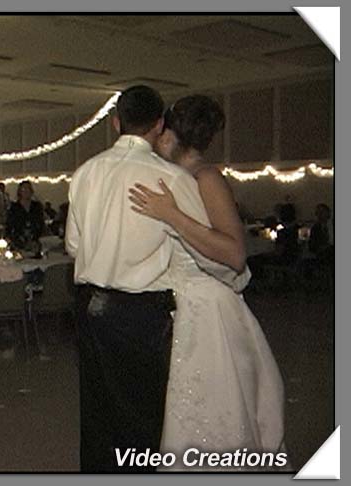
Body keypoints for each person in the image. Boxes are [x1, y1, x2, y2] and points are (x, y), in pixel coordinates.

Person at [66, 85, 243, 473]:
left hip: (89, 308)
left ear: (116, 122)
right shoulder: (171, 179)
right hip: (139, 312)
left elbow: (74, 246)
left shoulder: (84, 173)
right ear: (159, 124)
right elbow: (207, 252)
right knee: (142, 414)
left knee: (97, 415)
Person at [126, 95, 286, 470]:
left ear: (170, 136)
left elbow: (234, 254)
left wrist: (172, 215)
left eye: (161, 133)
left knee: (216, 411)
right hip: (176, 304)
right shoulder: (169, 177)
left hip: (208, 309)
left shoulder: (206, 178)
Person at [6, 181, 45, 251]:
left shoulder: (37, 206)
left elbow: (41, 224)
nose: (26, 191)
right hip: (19, 242)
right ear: (19, 192)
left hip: (35, 241)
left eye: (28, 189)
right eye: (24, 189)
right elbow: (9, 225)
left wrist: (35, 239)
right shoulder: (14, 207)